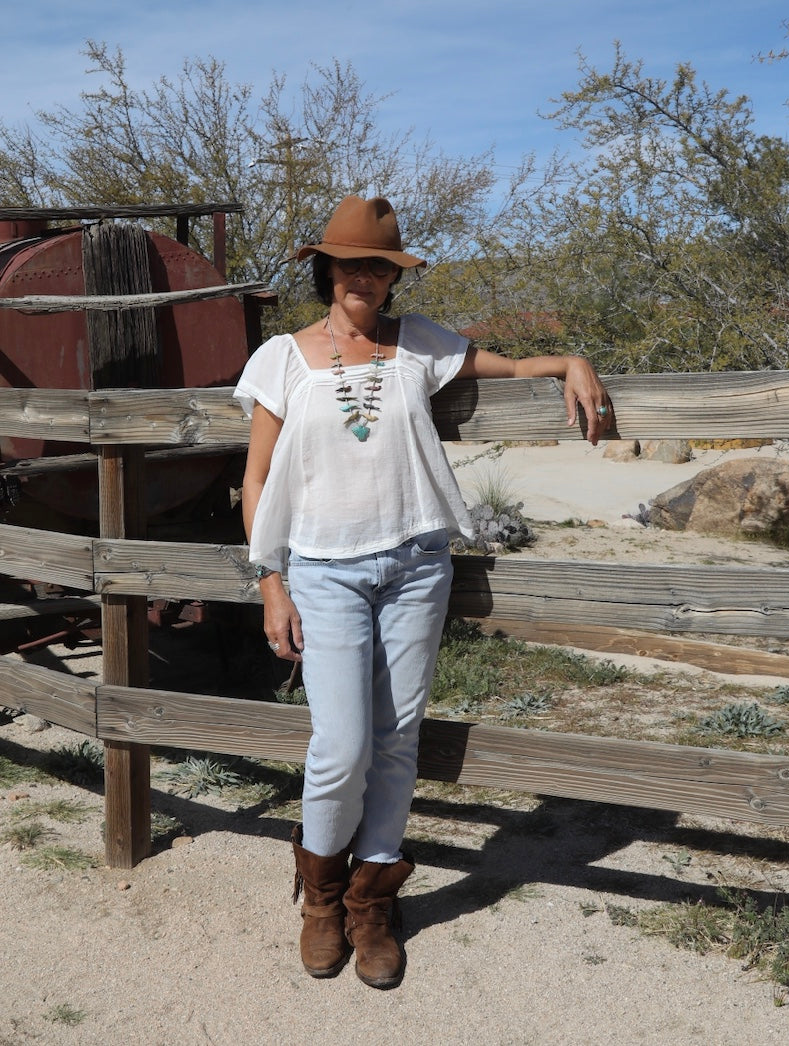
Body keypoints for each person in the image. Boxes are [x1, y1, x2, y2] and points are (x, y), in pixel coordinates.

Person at [234, 195, 611, 990]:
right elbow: (257, 479)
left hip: (415, 566)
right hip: (323, 571)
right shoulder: (282, 357)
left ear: (392, 276)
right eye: (349, 264)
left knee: (398, 739)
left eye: (378, 265)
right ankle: (320, 901)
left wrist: (570, 361)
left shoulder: (421, 344)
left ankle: (371, 904)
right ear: (325, 271)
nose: (363, 277)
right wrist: (271, 581)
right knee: (341, 747)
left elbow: (511, 367)